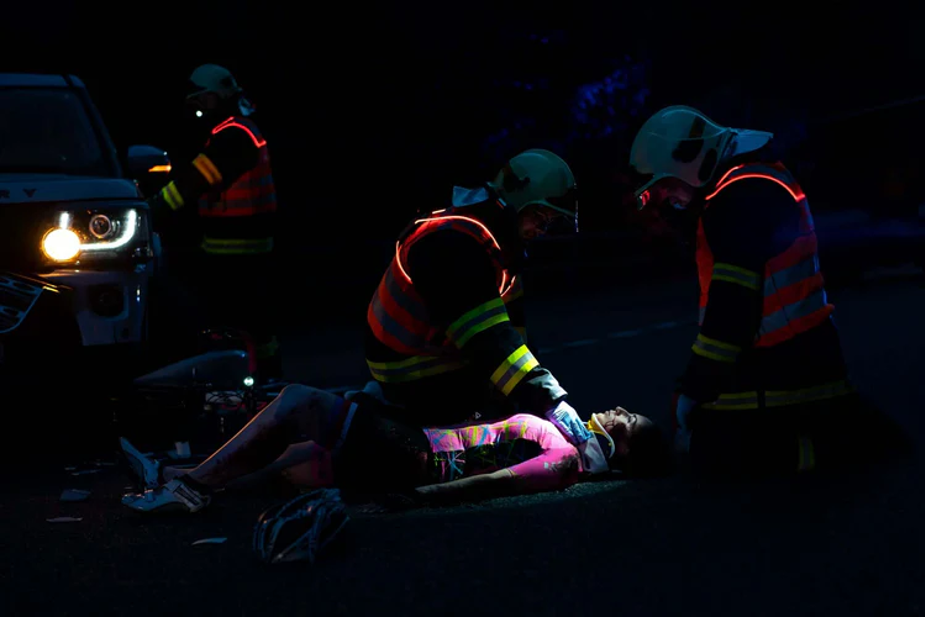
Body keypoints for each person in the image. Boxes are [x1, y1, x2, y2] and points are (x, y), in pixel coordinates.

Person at [627, 105, 911, 476]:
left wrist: (694, 388)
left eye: (665, 186)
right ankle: (849, 434)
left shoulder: (737, 197)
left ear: (690, 161)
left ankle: (839, 446)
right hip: (798, 356)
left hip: (787, 365)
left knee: (712, 449)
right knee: (708, 432)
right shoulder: (751, 184)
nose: (666, 200)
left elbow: (732, 313)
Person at [363, 148, 620, 474]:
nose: (543, 229)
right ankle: (389, 414)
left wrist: (534, 395)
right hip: (407, 368)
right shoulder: (455, 245)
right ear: (512, 204)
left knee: (507, 399)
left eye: (551, 222)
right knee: (485, 418)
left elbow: (515, 341)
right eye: (540, 217)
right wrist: (549, 399)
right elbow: (489, 342)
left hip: (431, 355)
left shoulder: (497, 250)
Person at [119, 384, 666, 513]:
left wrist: (419, 496)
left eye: (628, 421)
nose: (618, 411)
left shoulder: (568, 461)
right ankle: (174, 474)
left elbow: (500, 483)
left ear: (624, 447)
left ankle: (187, 485)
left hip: (410, 456)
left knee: (298, 406)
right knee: (284, 473)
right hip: (408, 446)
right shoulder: (568, 436)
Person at [148, 63, 281, 380]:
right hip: (242, 250)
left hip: (235, 254)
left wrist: (148, 212)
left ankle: (247, 386)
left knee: (231, 326)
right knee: (254, 327)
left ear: (213, 98)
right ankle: (267, 383)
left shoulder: (233, 138)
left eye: (200, 100)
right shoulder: (238, 131)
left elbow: (192, 184)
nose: (195, 108)